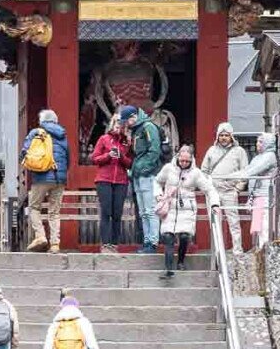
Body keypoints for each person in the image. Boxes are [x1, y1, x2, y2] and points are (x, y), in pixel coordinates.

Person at [154, 145, 221, 278]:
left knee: (185, 236)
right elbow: (157, 181)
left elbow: (209, 189)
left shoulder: (196, 173)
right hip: (170, 206)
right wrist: (158, 195)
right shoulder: (168, 168)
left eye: (187, 161)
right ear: (178, 157)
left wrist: (214, 204)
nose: (184, 163)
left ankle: (180, 261)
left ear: (191, 160)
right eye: (182, 160)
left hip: (187, 209)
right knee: (168, 236)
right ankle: (168, 268)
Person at [20, 109, 69, 253]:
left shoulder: (36, 132)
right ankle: (55, 244)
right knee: (54, 212)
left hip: (41, 176)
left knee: (34, 207)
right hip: (59, 178)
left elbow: (25, 152)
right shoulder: (62, 135)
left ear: (42, 121)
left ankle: (40, 236)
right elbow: (68, 157)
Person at [221, 132, 277, 250]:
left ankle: (264, 249)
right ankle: (259, 248)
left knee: (265, 224)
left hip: (266, 194)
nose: (258, 144)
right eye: (258, 141)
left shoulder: (270, 156)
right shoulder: (257, 157)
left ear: (268, 143)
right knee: (258, 225)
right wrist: (230, 176)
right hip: (257, 195)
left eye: (261, 142)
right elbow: (247, 169)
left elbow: (253, 171)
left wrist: (232, 177)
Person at [200, 122, 249, 254]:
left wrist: (238, 188)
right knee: (215, 221)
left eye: (226, 135)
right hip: (214, 191)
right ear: (217, 136)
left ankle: (237, 249)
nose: (223, 137)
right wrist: (207, 186)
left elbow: (245, 171)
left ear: (231, 136)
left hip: (230, 191)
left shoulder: (239, 152)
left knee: (234, 221)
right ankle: (217, 249)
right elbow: (204, 170)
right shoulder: (211, 150)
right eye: (221, 135)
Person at [121, 105, 163, 254]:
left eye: (127, 121)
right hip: (138, 174)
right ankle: (147, 241)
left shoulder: (148, 127)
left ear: (133, 116)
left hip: (148, 174)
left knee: (150, 210)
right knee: (143, 212)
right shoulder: (137, 130)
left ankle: (153, 242)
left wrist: (144, 168)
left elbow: (154, 150)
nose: (126, 124)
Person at [90, 115, 133, 253]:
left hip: (121, 181)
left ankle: (114, 244)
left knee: (117, 213)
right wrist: (108, 155)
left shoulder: (127, 142)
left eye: (121, 125)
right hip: (104, 180)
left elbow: (130, 163)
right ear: (112, 124)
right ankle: (105, 244)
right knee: (106, 212)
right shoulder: (104, 139)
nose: (118, 127)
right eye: (116, 124)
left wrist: (121, 157)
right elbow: (95, 158)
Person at [40, 296, 106, 349]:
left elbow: (48, 348)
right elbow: (92, 344)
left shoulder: (55, 324)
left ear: (62, 308)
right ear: (77, 307)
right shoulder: (84, 322)